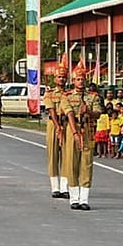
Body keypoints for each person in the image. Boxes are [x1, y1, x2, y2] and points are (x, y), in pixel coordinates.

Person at [60, 62, 102, 210]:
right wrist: (75, 133)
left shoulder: (93, 96)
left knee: (86, 165)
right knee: (72, 164)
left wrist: (89, 112)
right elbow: (69, 114)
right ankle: (74, 198)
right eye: (78, 79)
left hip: (88, 130)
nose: (80, 81)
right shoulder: (67, 96)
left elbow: (98, 113)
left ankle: (84, 199)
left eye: (83, 79)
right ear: (73, 81)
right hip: (74, 129)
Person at [44, 65, 68, 198]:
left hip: (67, 124)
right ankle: (55, 187)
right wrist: (58, 126)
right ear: (55, 79)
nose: (61, 80)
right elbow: (51, 111)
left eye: (64, 77)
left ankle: (65, 187)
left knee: (67, 156)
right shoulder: (50, 93)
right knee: (53, 156)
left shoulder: (69, 94)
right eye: (59, 77)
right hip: (54, 124)